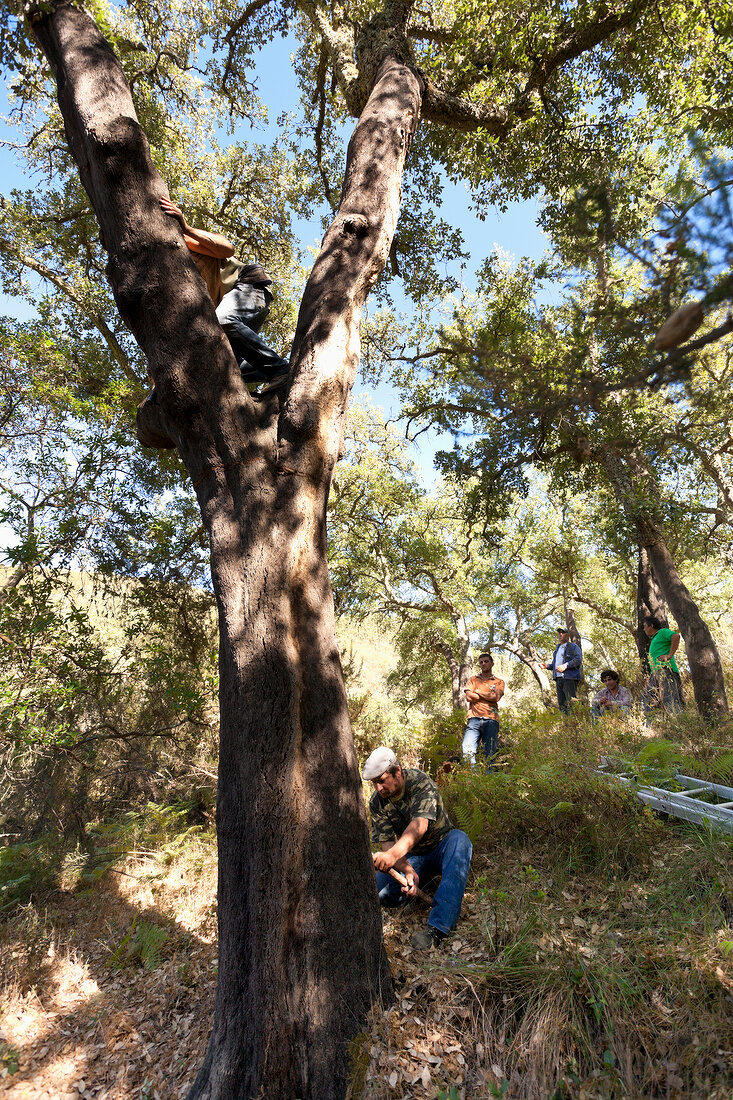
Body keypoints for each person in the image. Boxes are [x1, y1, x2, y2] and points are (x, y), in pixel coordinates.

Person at [160, 197, 290, 387]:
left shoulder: (189, 241)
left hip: (249, 287)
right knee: (221, 370)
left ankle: (280, 370)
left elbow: (227, 249)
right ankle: (284, 369)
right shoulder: (173, 279)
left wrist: (186, 229)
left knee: (223, 319)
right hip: (237, 310)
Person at [363, 747, 472, 950]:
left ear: (397, 771)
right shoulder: (377, 803)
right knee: (381, 893)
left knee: (461, 841)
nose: (379, 788)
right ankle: (415, 890)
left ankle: (438, 928)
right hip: (414, 856)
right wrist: (407, 870)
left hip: (442, 845)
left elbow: (419, 826)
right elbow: (387, 843)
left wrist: (392, 855)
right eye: (374, 783)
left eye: (382, 780)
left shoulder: (419, 782)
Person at [462, 652, 505, 770]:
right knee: (467, 749)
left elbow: (496, 697)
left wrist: (477, 692)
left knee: (490, 753)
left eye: (486, 661)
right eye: (481, 662)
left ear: (492, 663)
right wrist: (488, 694)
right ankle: (472, 777)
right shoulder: (473, 679)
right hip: (473, 719)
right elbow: (469, 697)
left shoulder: (498, 681)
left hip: (491, 720)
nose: (483, 664)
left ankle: (488, 780)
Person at [641, 616, 684, 718]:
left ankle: (679, 723)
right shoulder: (654, 638)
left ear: (651, 625)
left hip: (665, 670)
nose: (644, 629)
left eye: (645, 626)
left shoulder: (662, 632)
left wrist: (669, 655)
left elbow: (675, 636)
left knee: (669, 699)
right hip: (656, 674)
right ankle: (650, 727)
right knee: (646, 699)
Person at [545, 626, 583, 714]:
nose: (560, 634)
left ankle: (575, 725)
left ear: (568, 636)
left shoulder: (573, 647)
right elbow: (555, 665)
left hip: (569, 679)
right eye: (559, 633)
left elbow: (578, 660)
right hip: (558, 679)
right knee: (562, 706)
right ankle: (566, 726)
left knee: (571, 704)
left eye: (563, 632)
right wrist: (547, 666)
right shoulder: (557, 650)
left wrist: (565, 666)